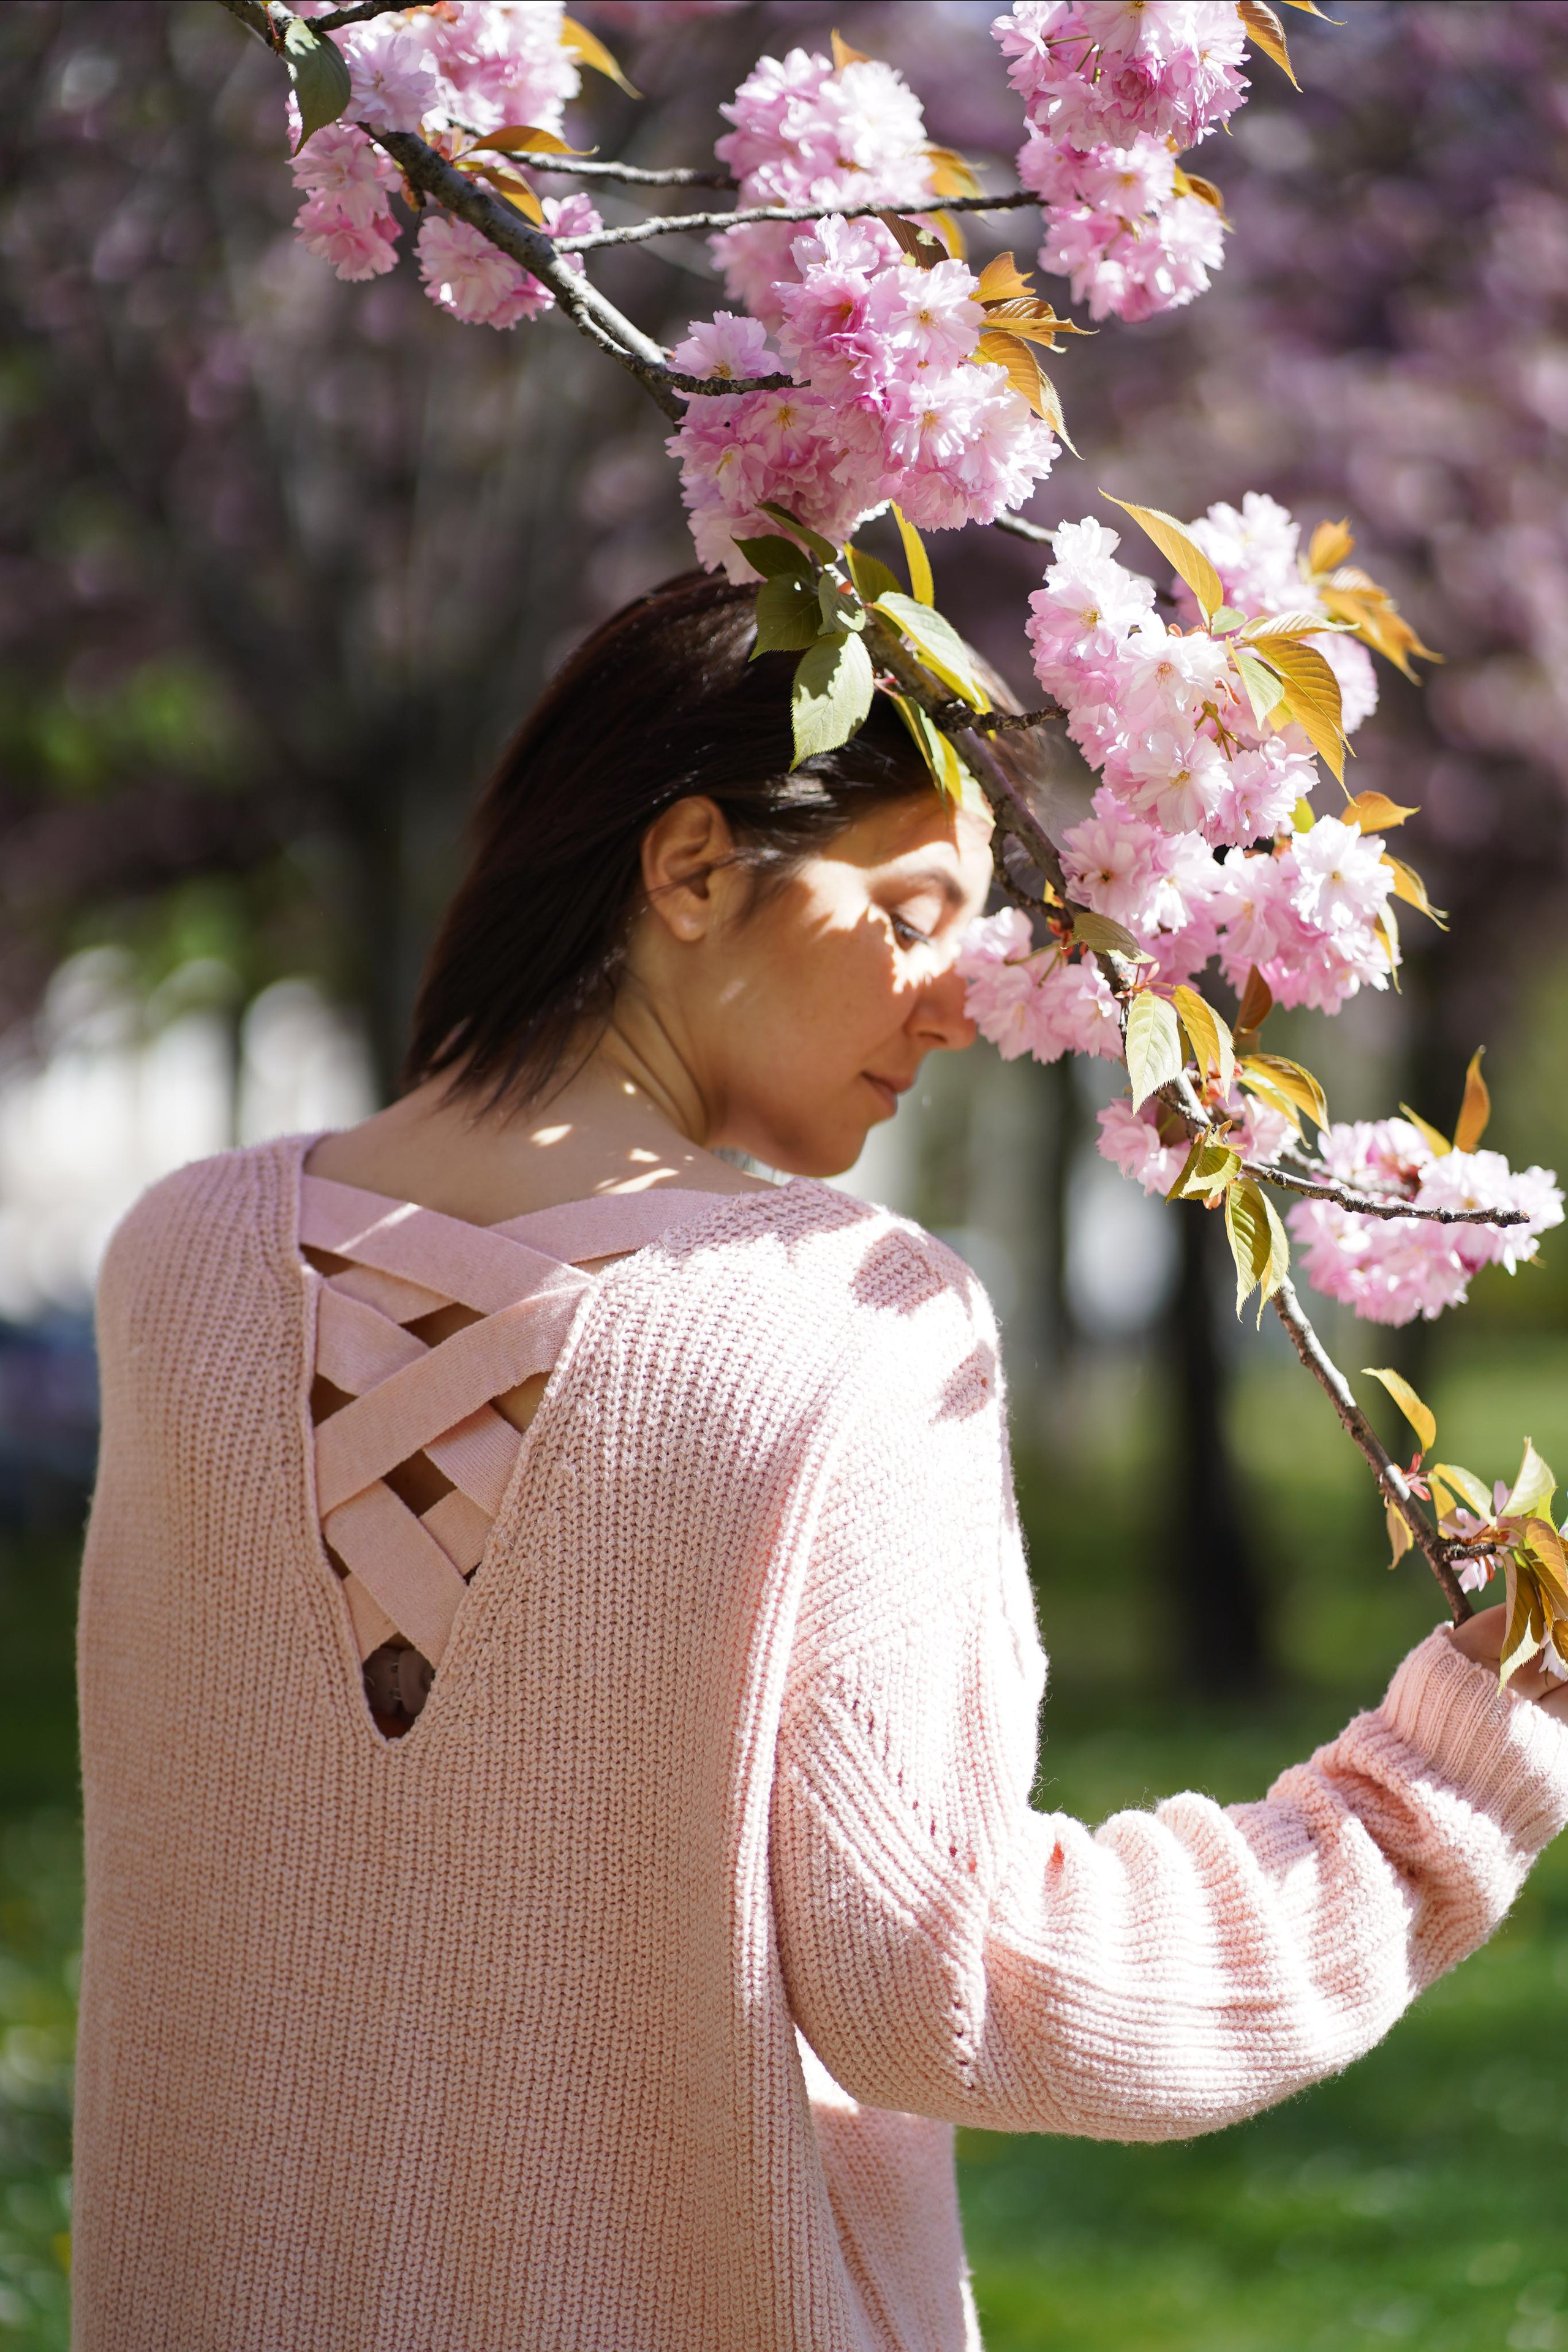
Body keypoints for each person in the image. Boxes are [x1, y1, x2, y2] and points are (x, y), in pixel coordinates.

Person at [72, 572, 1568, 2352]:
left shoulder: (185, 1269)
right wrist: (1430, 1805)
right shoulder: (852, 1319)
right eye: (913, 910)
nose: (954, 1003)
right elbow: (951, 1980)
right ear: (695, 867)